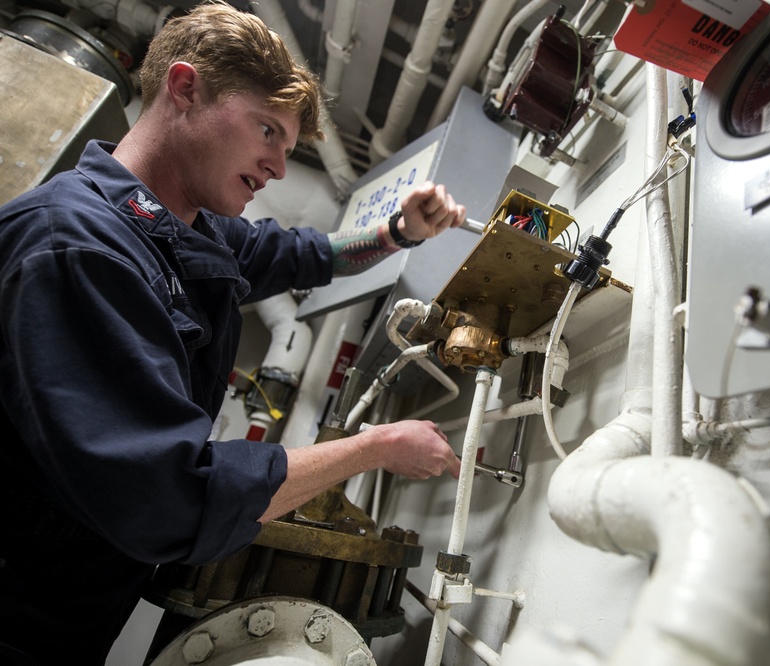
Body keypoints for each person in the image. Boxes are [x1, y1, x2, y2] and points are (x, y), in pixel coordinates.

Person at [0, 3, 464, 663]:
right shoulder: (76, 248)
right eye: (267, 130)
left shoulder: (186, 225)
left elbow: (312, 255)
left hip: (77, 606)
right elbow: (171, 496)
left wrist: (399, 233)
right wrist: (377, 446)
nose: (277, 166)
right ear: (184, 88)